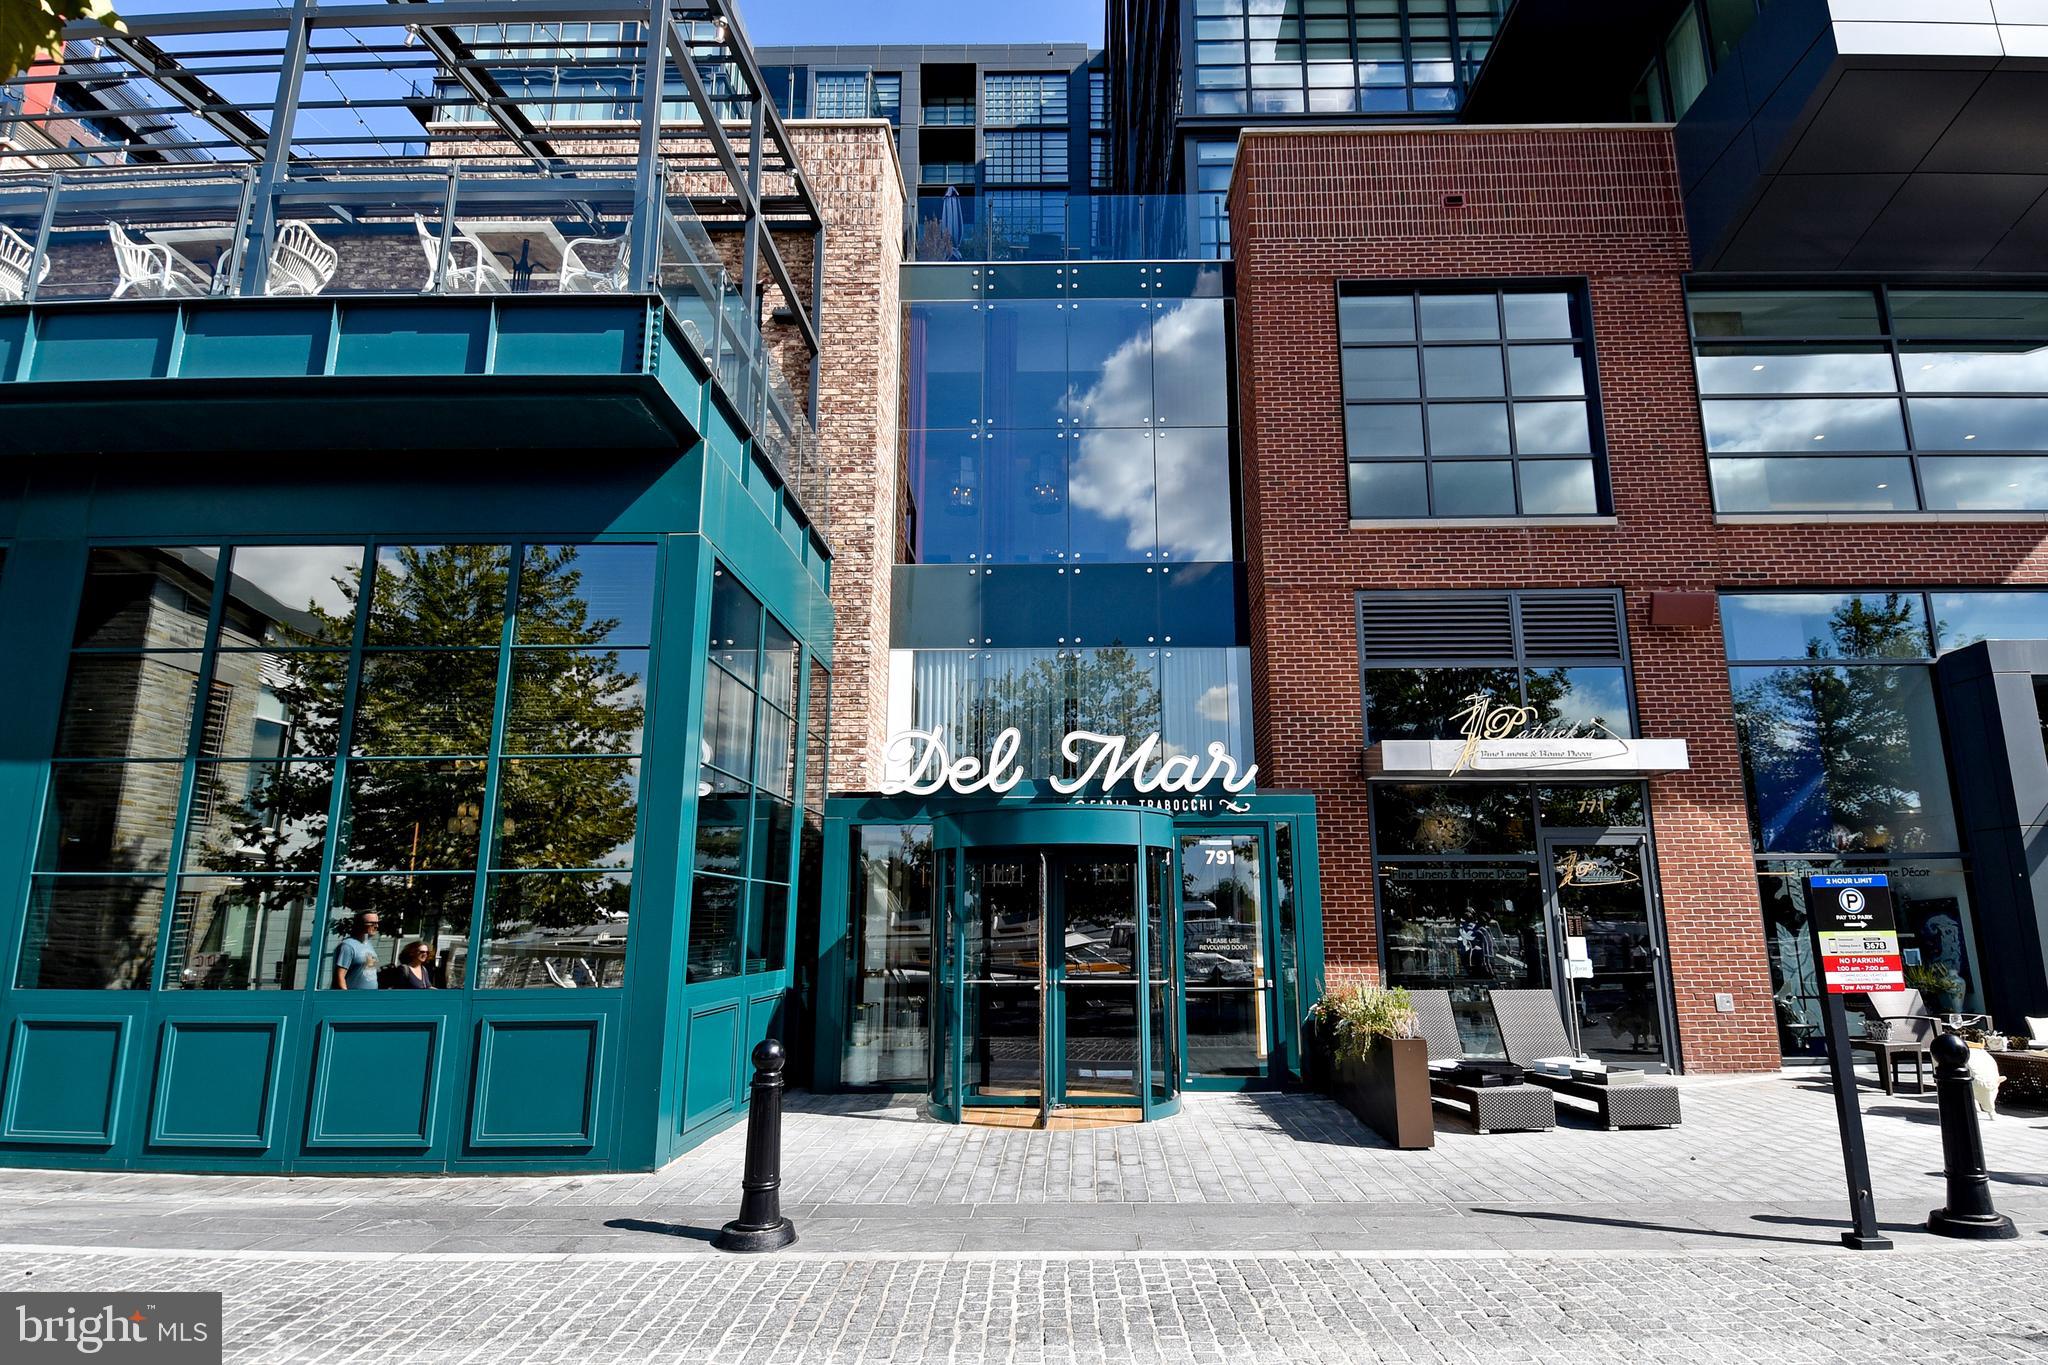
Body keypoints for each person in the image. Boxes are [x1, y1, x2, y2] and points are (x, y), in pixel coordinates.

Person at [333, 913, 380, 990]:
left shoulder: (368, 944)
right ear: (360, 924)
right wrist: (347, 998)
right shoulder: (348, 946)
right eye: (372, 923)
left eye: (377, 923)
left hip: (369, 998)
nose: (376, 926)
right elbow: (339, 976)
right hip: (354, 998)